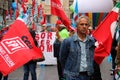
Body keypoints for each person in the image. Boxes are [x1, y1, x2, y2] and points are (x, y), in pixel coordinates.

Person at [59, 15, 95, 80]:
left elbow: (92, 57)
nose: (84, 26)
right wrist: (67, 73)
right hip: (72, 76)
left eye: (86, 24)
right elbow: (62, 59)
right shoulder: (68, 41)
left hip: (88, 75)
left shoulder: (91, 41)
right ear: (77, 26)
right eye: (81, 24)